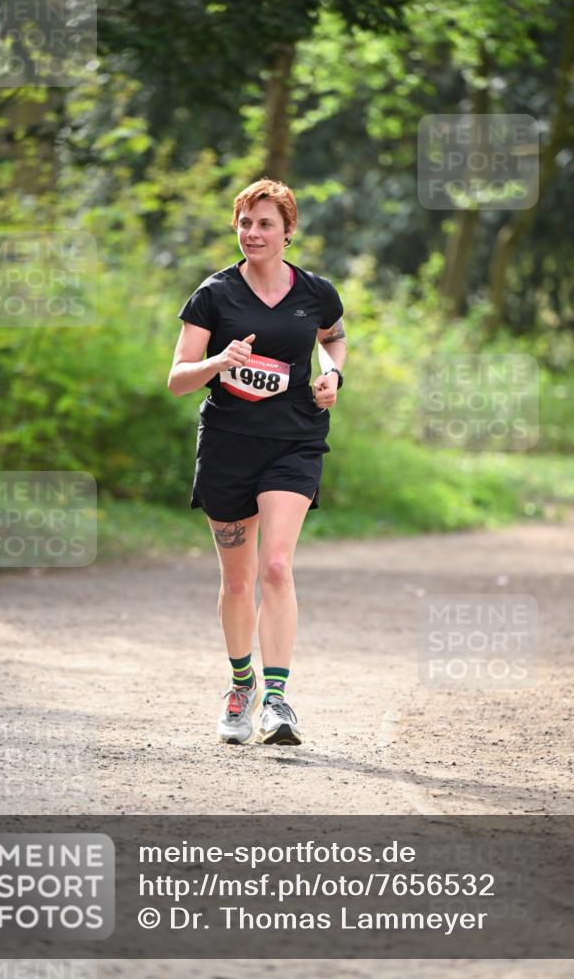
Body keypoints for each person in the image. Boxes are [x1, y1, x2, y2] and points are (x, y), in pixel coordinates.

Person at [167, 178, 346, 746]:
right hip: (228, 446)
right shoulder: (213, 295)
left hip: (294, 441)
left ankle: (276, 700)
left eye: (265, 223)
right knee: (239, 581)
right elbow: (177, 379)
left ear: (288, 232)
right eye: (245, 223)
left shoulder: (316, 292)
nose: (253, 233)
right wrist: (220, 359)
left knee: (275, 567)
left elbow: (333, 339)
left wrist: (333, 374)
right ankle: (240, 686)